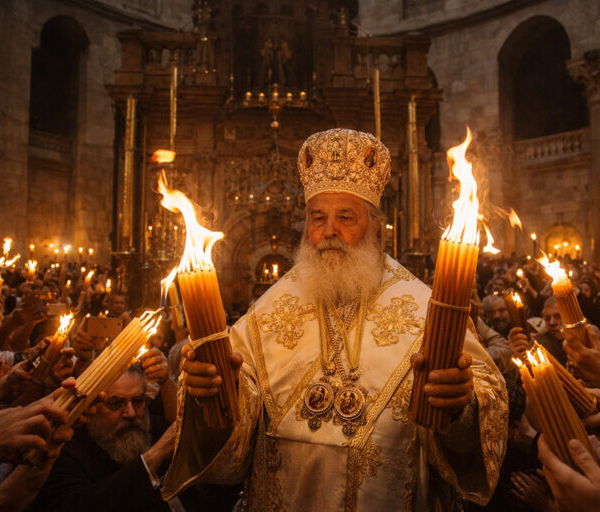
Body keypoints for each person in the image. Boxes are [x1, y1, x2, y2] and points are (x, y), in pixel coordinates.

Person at [163, 128, 508, 510]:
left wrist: (461, 406)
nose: (329, 231)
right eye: (317, 217)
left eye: (346, 217)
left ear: (377, 228)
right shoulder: (269, 311)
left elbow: (482, 406)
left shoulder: (428, 309)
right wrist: (209, 391)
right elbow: (235, 419)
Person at [34, 367, 178, 511]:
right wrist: (151, 460)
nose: (131, 413)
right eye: (115, 403)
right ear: (91, 405)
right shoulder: (66, 452)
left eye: (138, 401)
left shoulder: (157, 430)